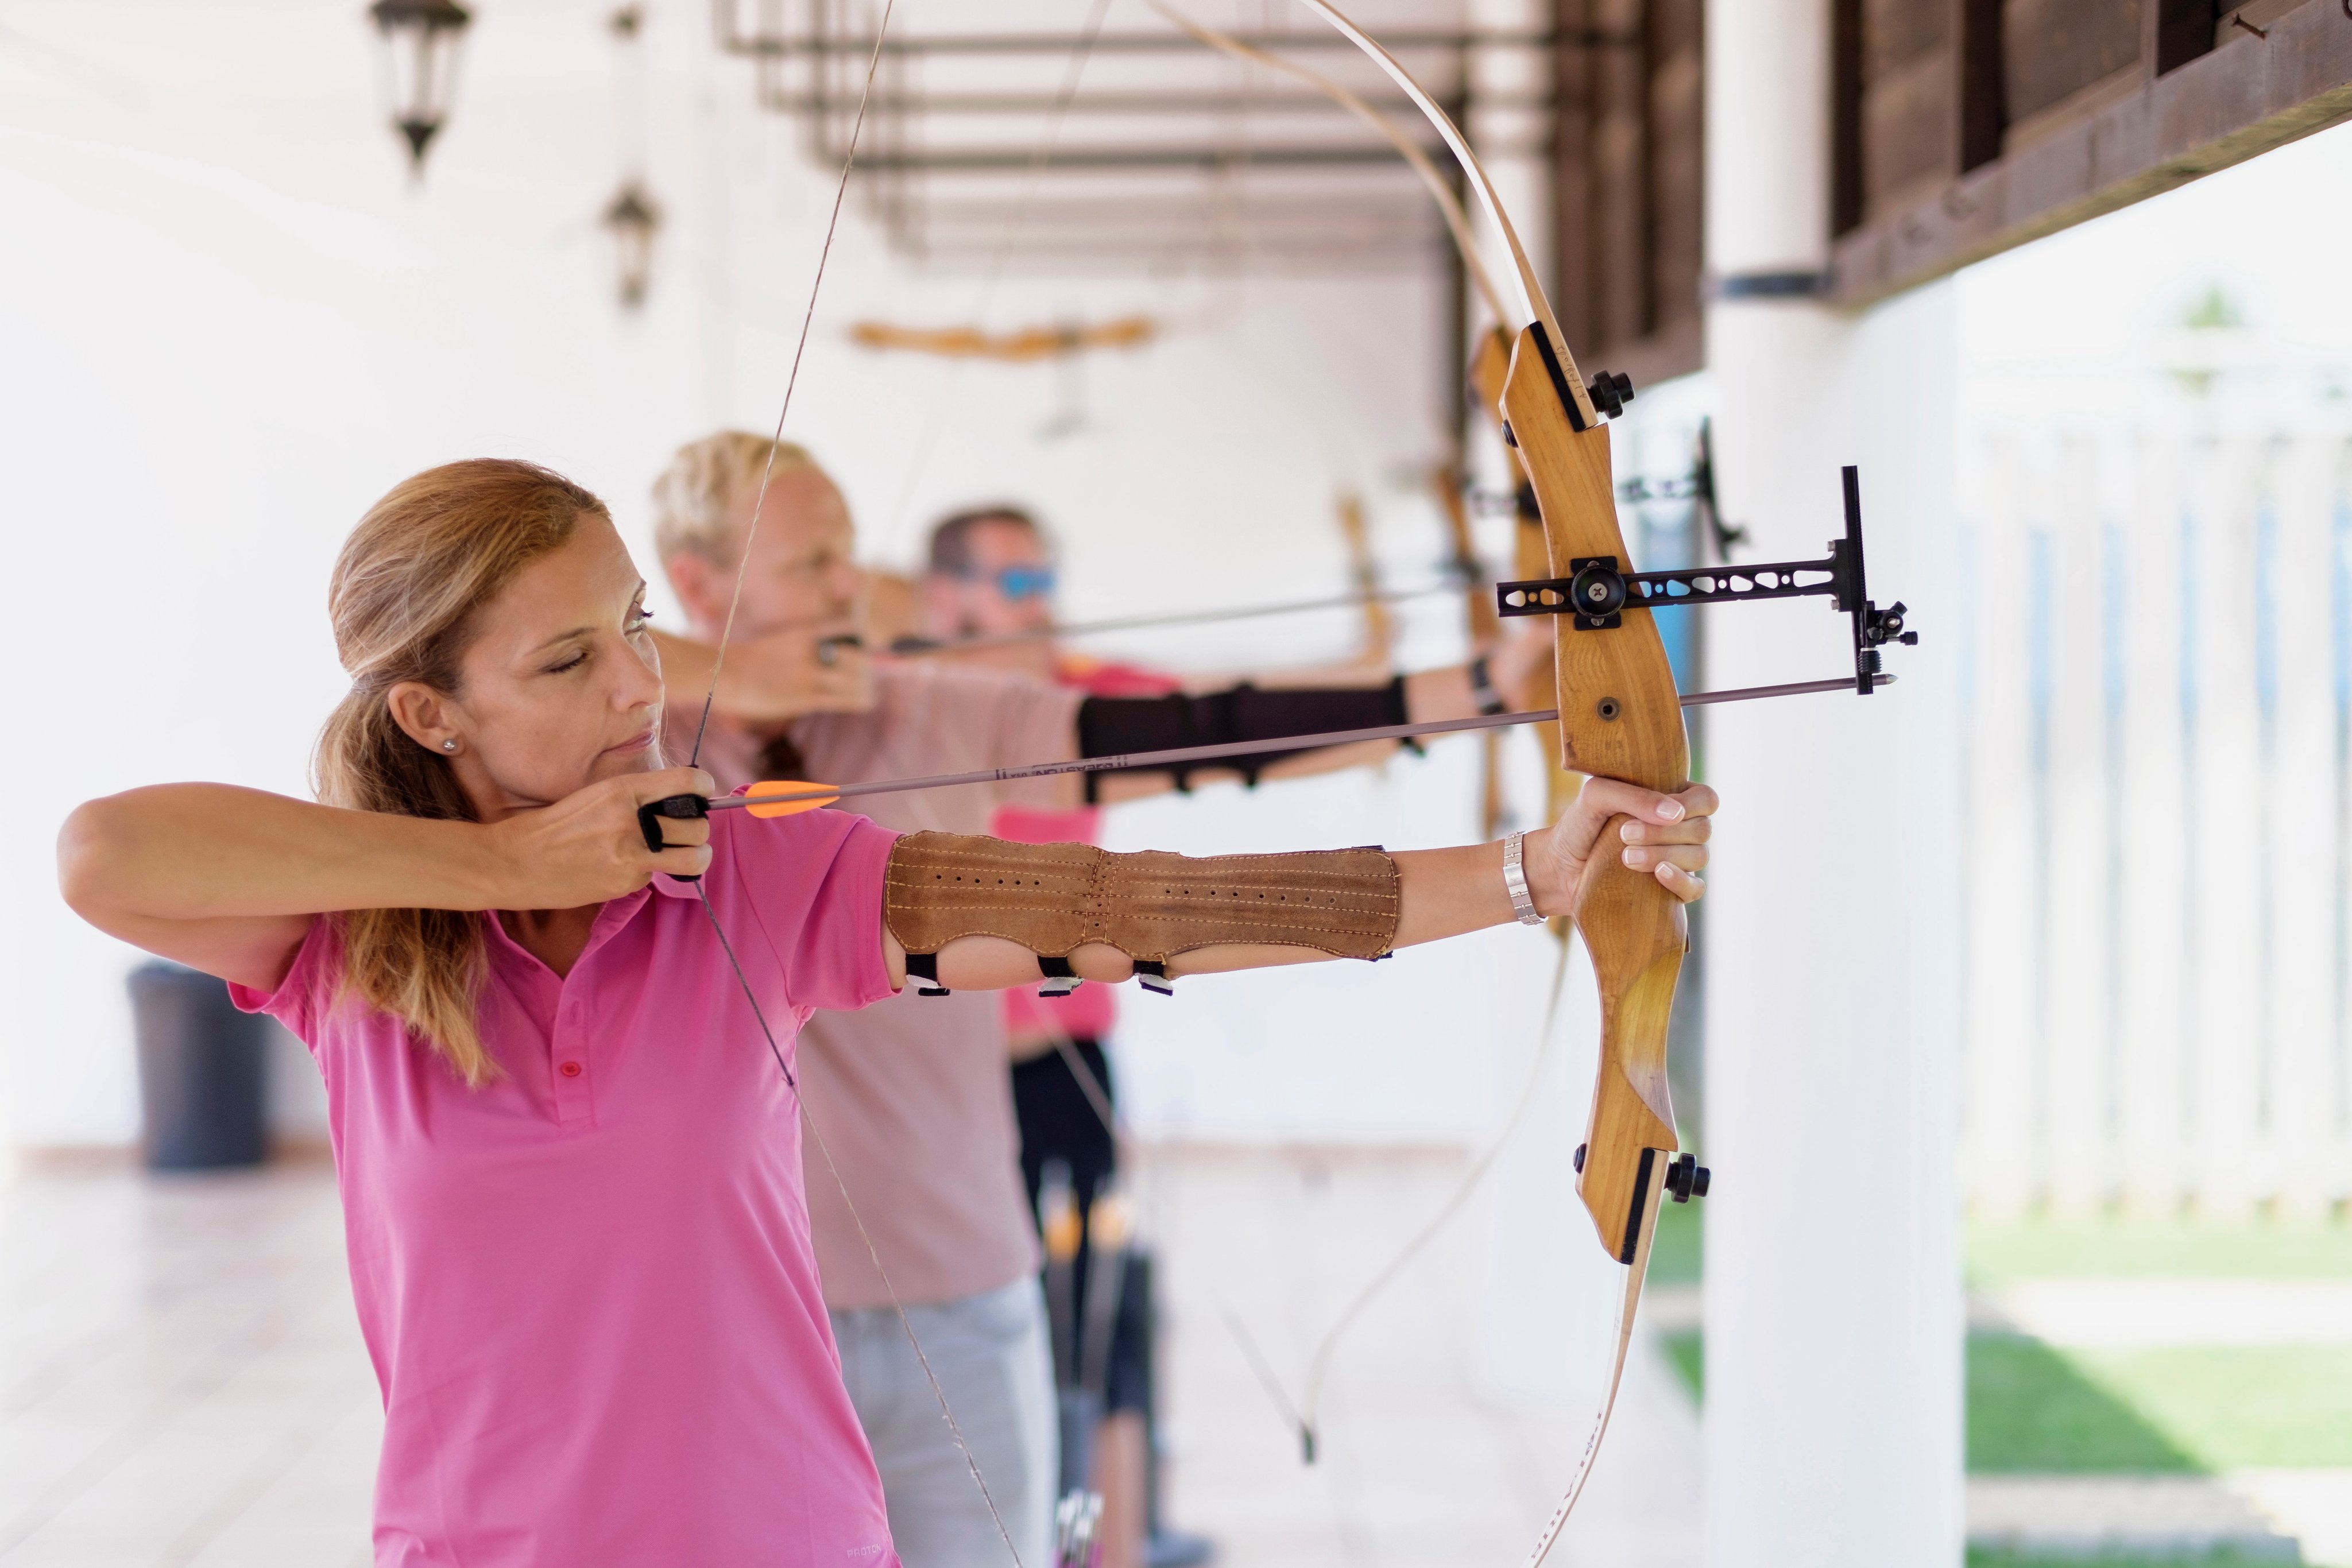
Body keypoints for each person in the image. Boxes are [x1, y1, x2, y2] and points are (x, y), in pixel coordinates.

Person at [54, 456, 1715, 1568]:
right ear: (429, 708)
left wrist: (1524, 869)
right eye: (568, 662)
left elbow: (1136, 917)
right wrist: (494, 867)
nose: (644, 684)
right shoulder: (356, 941)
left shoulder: (752, 882)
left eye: (637, 627)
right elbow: (103, 850)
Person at [643, 435, 1549, 1568]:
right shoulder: (633, 753)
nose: (852, 584)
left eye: (846, 554)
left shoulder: (931, 707)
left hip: (962, 1283)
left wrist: (1474, 691)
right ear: (695, 584)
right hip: (745, 1313)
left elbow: (1204, 732)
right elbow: (504, 681)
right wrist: (735, 680)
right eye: (813, 562)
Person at [920, 503, 1181, 1568]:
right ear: (948, 599)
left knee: (1101, 1317)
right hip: (939, 1082)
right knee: (967, 1328)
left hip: (1061, 1065)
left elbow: (1235, 721)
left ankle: (1116, 1549)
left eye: (1044, 578)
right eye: (1012, 584)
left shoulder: (1087, 689)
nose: (1041, 600)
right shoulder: (904, 704)